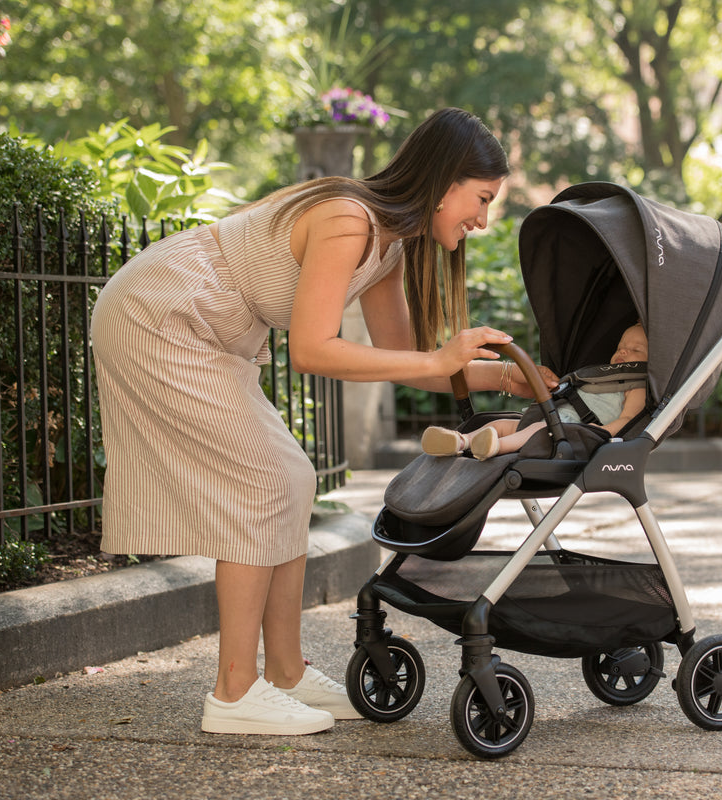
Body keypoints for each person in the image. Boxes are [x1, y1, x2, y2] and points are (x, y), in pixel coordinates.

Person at [90, 108, 553, 737]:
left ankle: (283, 672)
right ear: (444, 182)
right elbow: (313, 349)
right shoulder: (348, 218)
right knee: (265, 480)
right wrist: (443, 357)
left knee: (293, 477)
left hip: (204, 326)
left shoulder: (387, 244)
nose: (483, 218)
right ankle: (234, 692)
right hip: (161, 314)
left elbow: (409, 364)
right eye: (481, 198)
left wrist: (508, 376)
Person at [420, 323, 648, 460]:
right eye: (621, 348)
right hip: (555, 420)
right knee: (501, 424)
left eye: (636, 349)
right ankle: (461, 441)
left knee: (538, 429)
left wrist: (600, 432)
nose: (625, 352)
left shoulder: (636, 385)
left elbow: (629, 418)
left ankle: (495, 447)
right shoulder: (599, 376)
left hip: (576, 433)